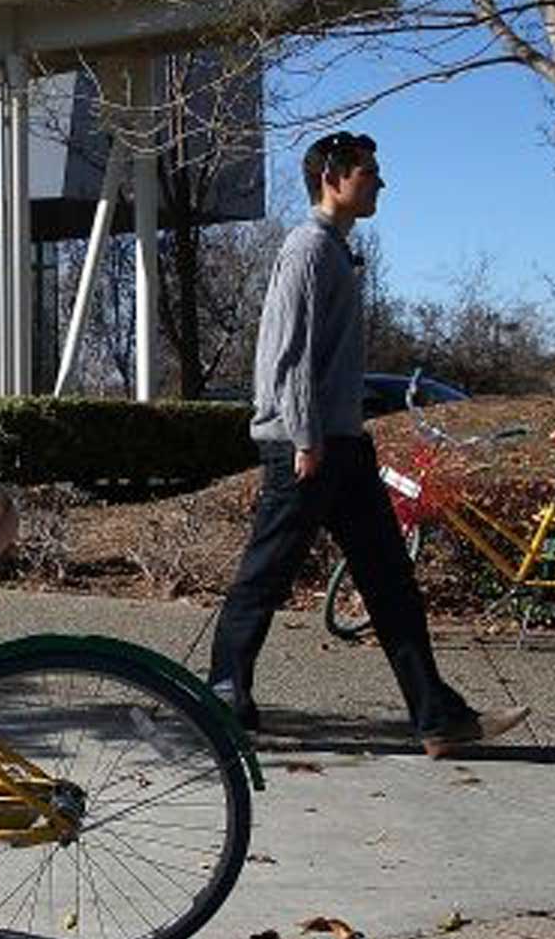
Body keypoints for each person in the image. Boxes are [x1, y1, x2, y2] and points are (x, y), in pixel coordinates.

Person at [208, 131, 529, 757]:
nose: (380, 183)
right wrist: (304, 438)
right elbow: (285, 356)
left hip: (340, 445)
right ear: (333, 177)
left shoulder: (336, 251)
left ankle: (437, 718)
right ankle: (221, 698)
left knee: (389, 580)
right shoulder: (306, 250)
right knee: (265, 577)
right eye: (369, 172)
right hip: (307, 447)